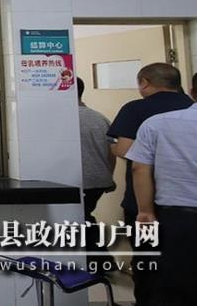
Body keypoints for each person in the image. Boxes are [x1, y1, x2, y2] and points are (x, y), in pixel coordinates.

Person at [108, 63, 192, 305]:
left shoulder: (136, 109)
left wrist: (114, 148)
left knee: (148, 262)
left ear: (145, 82)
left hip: (144, 203)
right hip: (186, 201)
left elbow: (125, 151)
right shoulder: (188, 105)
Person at [126, 98, 197, 306]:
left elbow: (139, 168)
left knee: (171, 284)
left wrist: (145, 211)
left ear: (192, 91)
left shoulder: (156, 123)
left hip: (175, 219)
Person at [75, 77, 116, 268]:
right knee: (84, 216)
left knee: (80, 218)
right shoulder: (99, 118)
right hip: (99, 180)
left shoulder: (61, 119)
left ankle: (100, 261)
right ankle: (102, 260)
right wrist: (109, 176)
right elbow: (112, 152)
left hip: (80, 181)